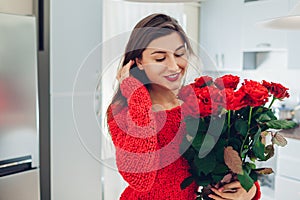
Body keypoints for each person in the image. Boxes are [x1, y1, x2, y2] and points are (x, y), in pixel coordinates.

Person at [106, 13, 261, 200]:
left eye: (179, 54)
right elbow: (141, 178)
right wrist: (136, 95)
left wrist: (250, 190)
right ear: (139, 61)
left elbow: (227, 161)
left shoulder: (198, 102)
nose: (173, 66)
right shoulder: (123, 110)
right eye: (160, 58)